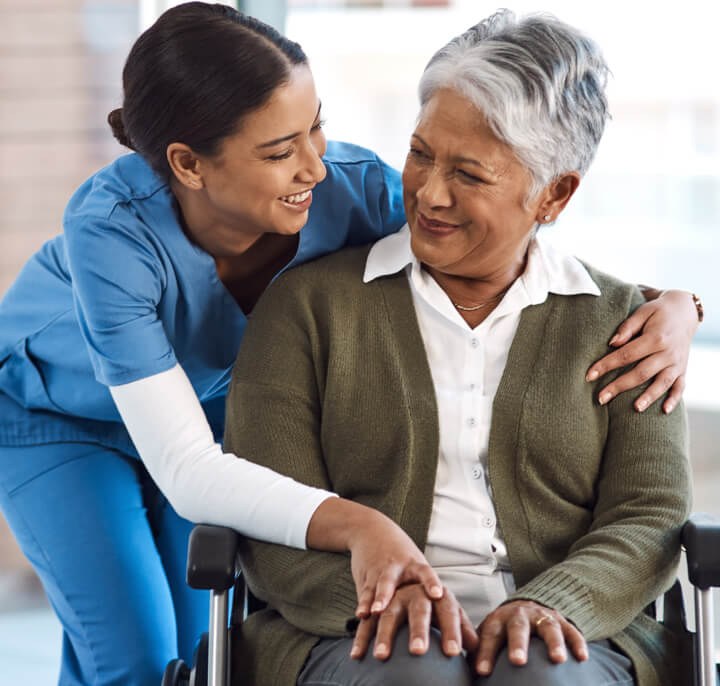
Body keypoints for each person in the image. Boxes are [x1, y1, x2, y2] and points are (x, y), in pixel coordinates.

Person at [223, 10, 694, 686]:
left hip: (573, 635)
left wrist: (550, 602)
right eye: (421, 154)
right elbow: (268, 503)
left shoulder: (627, 328)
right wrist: (383, 601)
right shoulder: (308, 308)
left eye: (470, 175)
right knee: (412, 669)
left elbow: (648, 513)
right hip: (355, 629)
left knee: (540, 674)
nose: (429, 193)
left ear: (553, 194)